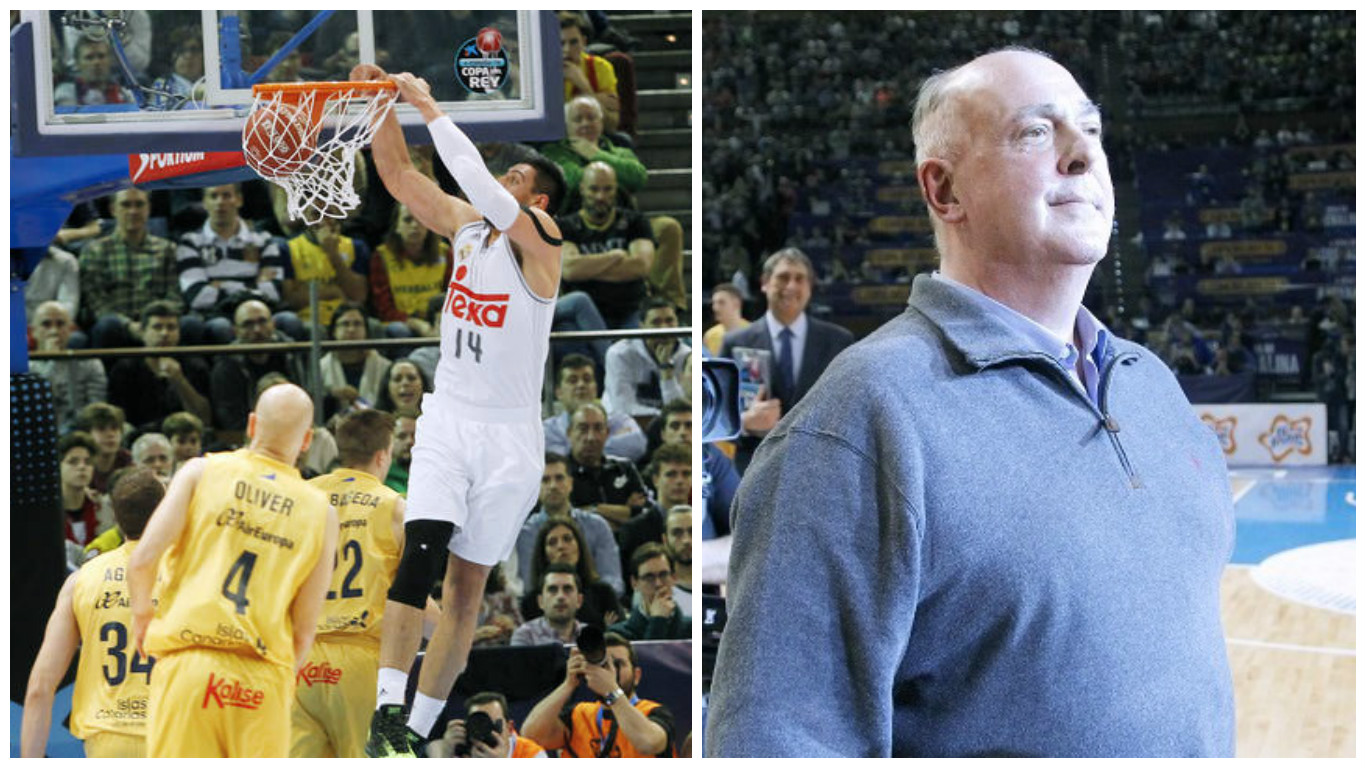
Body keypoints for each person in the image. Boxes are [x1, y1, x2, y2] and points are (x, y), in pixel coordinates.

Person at [706, 48, 1237, 758]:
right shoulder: (860, 422)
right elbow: (779, 741)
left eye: (1090, 130)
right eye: (1035, 133)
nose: (1082, 155)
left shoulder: (1151, 384)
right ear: (944, 190)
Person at [351, 62, 567, 757]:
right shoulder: (469, 228)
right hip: (450, 418)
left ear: (539, 199)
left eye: (516, 180)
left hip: (510, 440)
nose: (501, 185)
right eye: (503, 179)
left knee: (468, 593)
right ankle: (389, 708)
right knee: (421, 555)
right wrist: (381, 102)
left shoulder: (544, 244)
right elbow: (397, 177)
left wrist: (431, 107)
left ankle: (415, 732)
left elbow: (475, 180)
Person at [127, 383, 338, 757]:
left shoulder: (200, 471)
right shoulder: (322, 512)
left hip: (189, 662)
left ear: (252, 424)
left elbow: (143, 560)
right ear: (306, 440)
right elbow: (306, 629)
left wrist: (143, 616)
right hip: (263, 675)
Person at [22, 469, 164, 758]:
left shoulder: (82, 579)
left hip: (108, 740)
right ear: (166, 511)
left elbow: (40, 686)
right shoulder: (191, 575)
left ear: (116, 518)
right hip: (173, 734)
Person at [292, 409, 405, 758]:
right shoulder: (394, 506)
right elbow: (408, 597)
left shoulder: (300, 497)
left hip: (300, 659)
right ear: (383, 455)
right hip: (362, 661)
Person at [720, 247, 854, 471]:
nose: (791, 286)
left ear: (809, 288)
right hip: (756, 467)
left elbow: (852, 411)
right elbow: (718, 413)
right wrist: (744, 422)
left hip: (822, 470)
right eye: (783, 277)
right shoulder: (735, 343)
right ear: (764, 282)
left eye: (799, 279)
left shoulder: (838, 342)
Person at [521, 632, 675, 758]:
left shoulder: (654, 712)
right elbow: (531, 735)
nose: (610, 672)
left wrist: (612, 691)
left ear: (636, 676)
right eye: (603, 665)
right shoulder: (579, 714)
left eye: (618, 664)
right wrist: (568, 684)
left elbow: (648, 744)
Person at [176, 184, 291, 344]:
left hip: (258, 312)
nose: (220, 202)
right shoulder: (190, 242)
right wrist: (253, 285)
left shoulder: (264, 240)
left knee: (289, 320)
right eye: (213, 196)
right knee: (221, 327)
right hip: (214, 315)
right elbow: (197, 296)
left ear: (239, 200)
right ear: (204, 202)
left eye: (226, 196)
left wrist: (220, 285)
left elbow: (273, 291)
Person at [77, 188, 182, 348]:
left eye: (139, 204)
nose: (133, 211)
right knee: (107, 325)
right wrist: (128, 325)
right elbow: (96, 301)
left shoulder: (167, 249)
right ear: (113, 209)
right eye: (126, 205)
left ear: (148, 209)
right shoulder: (94, 251)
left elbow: (174, 294)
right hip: (116, 326)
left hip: (159, 325)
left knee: (190, 325)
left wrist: (154, 325)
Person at [516, 452, 624, 595]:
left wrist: (584, 601)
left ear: (571, 483)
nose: (553, 486)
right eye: (545, 480)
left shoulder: (598, 526)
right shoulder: (526, 533)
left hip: (596, 607)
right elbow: (531, 587)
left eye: (559, 478)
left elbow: (614, 581)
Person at [208, 299, 308, 442]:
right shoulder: (226, 365)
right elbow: (231, 419)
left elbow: (306, 399)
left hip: (293, 432)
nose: (257, 330)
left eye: (262, 322)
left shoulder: (292, 354)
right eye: (248, 325)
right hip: (248, 439)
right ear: (235, 331)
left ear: (273, 324)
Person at [106, 299, 212, 433]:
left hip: (185, 437)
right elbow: (118, 419)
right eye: (157, 327)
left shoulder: (194, 365)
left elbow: (204, 419)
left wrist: (179, 380)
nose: (164, 333)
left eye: (171, 328)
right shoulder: (124, 368)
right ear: (143, 332)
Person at [544, 353, 648, 464]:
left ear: (595, 389)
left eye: (587, 379)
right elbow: (551, 459)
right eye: (573, 380)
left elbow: (638, 445)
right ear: (559, 392)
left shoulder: (619, 421)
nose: (581, 385)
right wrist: (605, 443)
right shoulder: (547, 430)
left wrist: (574, 447)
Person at [520, 519, 622, 630]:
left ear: (579, 546)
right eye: (552, 542)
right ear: (543, 554)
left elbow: (617, 637)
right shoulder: (531, 602)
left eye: (567, 539)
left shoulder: (603, 593)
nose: (561, 546)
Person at [369, 203, 453, 338]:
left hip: (438, 320)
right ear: (396, 226)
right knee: (400, 330)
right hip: (399, 322)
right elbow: (383, 308)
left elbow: (452, 297)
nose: (415, 226)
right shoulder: (381, 256)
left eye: (421, 220)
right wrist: (414, 322)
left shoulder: (445, 253)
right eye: (407, 220)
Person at [616, 443, 692, 590]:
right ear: (655, 479)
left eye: (686, 474)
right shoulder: (633, 530)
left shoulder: (702, 523)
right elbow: (629, 583)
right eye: (671, 474)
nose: (679, 481)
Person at [565, 402, 648, 529]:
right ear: (569, 433)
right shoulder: (561, 474)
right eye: (583, 428)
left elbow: (643, 516)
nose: (591, 437)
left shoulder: (624, 468)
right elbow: (568, 520)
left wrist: (595, 508)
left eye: (598, 428)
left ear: (607, 433)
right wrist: (623, 512)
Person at [603, 297, 691, 418]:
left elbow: (680, 413)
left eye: (670, 321)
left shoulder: (688, 356)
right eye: (656, 322)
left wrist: (666, 369)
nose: (664, 328)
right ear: (642, 326)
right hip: (626, 425)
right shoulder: (619, 354)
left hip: (672, 429)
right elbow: (623, 408)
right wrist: (662, 417)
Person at [28, 301, 107, 433]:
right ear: (33, 332)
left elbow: (96, 411)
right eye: (46, 324)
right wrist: (52, 363)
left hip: (82, 434)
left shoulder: (90, 364)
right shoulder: (21, 368)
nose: (54, 331)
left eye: (60, 324)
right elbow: (34, 410)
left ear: (71, 329)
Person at [282, 216, 371, 329]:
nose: (324, 221)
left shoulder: (356, 246)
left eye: (329, 214)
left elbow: (358, 297)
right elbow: (290, 300)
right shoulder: (288, 248)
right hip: (309, 319)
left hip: (348, 318)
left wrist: (332, 253)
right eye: (317, 214)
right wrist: (333, 292)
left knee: (372, 326)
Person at [319, 302, 392, 413]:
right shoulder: (321, 367)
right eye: (345, 324)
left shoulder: (384, 366)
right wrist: (332, 397)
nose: (351, 329)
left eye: (357, 324)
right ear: (334, 331)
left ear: (366, 330)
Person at [557, 12, 622, 137]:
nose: (567, 50)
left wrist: (584, 87)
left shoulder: (601, 67)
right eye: (561, 43)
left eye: (574, 42)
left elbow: (611, 125)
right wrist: (597, 99)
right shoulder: (542, 70)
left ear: (584, 42)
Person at [427, 692, 548, 758]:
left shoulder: (531, 754)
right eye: (479, 723)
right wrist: (445, 754)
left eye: (493, 724)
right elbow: (432, 747)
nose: (486, 730)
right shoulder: (461, 748)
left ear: (510, 728)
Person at [608, 543, 688, 641]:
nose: (658, 583)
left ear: (674, 578)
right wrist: (658, 620)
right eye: (649, 577)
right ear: (634, 583)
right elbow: (651, 656)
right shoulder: (619, 634)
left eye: (663, 575)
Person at [510, 563, 587, 647]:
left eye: (567, 589)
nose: (560, 596)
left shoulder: (591, 635)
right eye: (552, 590)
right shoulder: (525, 635)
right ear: (541, 601)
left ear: (579, 600)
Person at [54, 36, 135, 107]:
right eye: (89, 57)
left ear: (110, 60)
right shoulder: (66, 93)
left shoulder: (125, 95)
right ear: (77, 63)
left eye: (101, 56)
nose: (96, 62)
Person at [76, 402, 133, 494]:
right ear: (87, 434)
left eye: (114, 428)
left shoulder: (128, 461)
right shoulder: (79, 464)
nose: (110, 434)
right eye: (101, 429)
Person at [704, 283, 749, 355]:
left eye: (721, 302)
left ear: (736, 304)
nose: (715, 308)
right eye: (714, 303)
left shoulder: (752, 332)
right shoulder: (710, 335)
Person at [384, 410, 417, 495]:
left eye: (415, 436)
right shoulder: (381, 479)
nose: (410, 441)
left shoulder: (439, 475)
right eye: (402, 436)